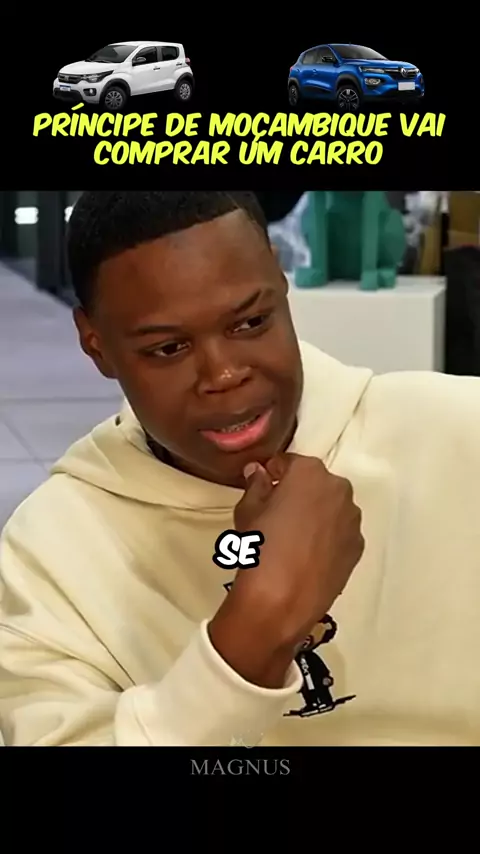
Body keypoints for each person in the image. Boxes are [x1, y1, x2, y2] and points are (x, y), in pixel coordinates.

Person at [1, 190, 480, 748]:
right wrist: (253, 634)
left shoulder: (458, 430)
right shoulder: (47, 554)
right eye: (168, 348)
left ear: (279, 279)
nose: (224, 375)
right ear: (96, 344)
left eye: (250, 322)